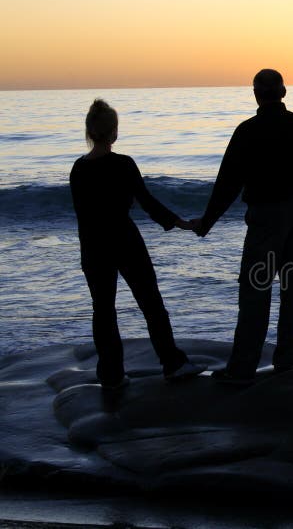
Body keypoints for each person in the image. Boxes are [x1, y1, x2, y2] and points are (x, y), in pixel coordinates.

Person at [191, 69, 293, 383]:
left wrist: (207, 221)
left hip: (266, 217)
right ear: (284, 92)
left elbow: (228, 183)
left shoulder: (247, 131)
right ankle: (287, 358)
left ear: (255, 93)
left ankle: (243, 368)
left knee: (255, 290)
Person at [70, 99, 206, 390]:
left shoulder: (78, 169)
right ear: (114, 132)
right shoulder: (123, 164)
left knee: (103, 310)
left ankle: (111, 374)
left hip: (93, 245)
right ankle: (173, 363)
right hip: (124, 239)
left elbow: (83, 214)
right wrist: (180, 222)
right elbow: (147, 203)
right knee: (151, 303)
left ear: (89, 131)